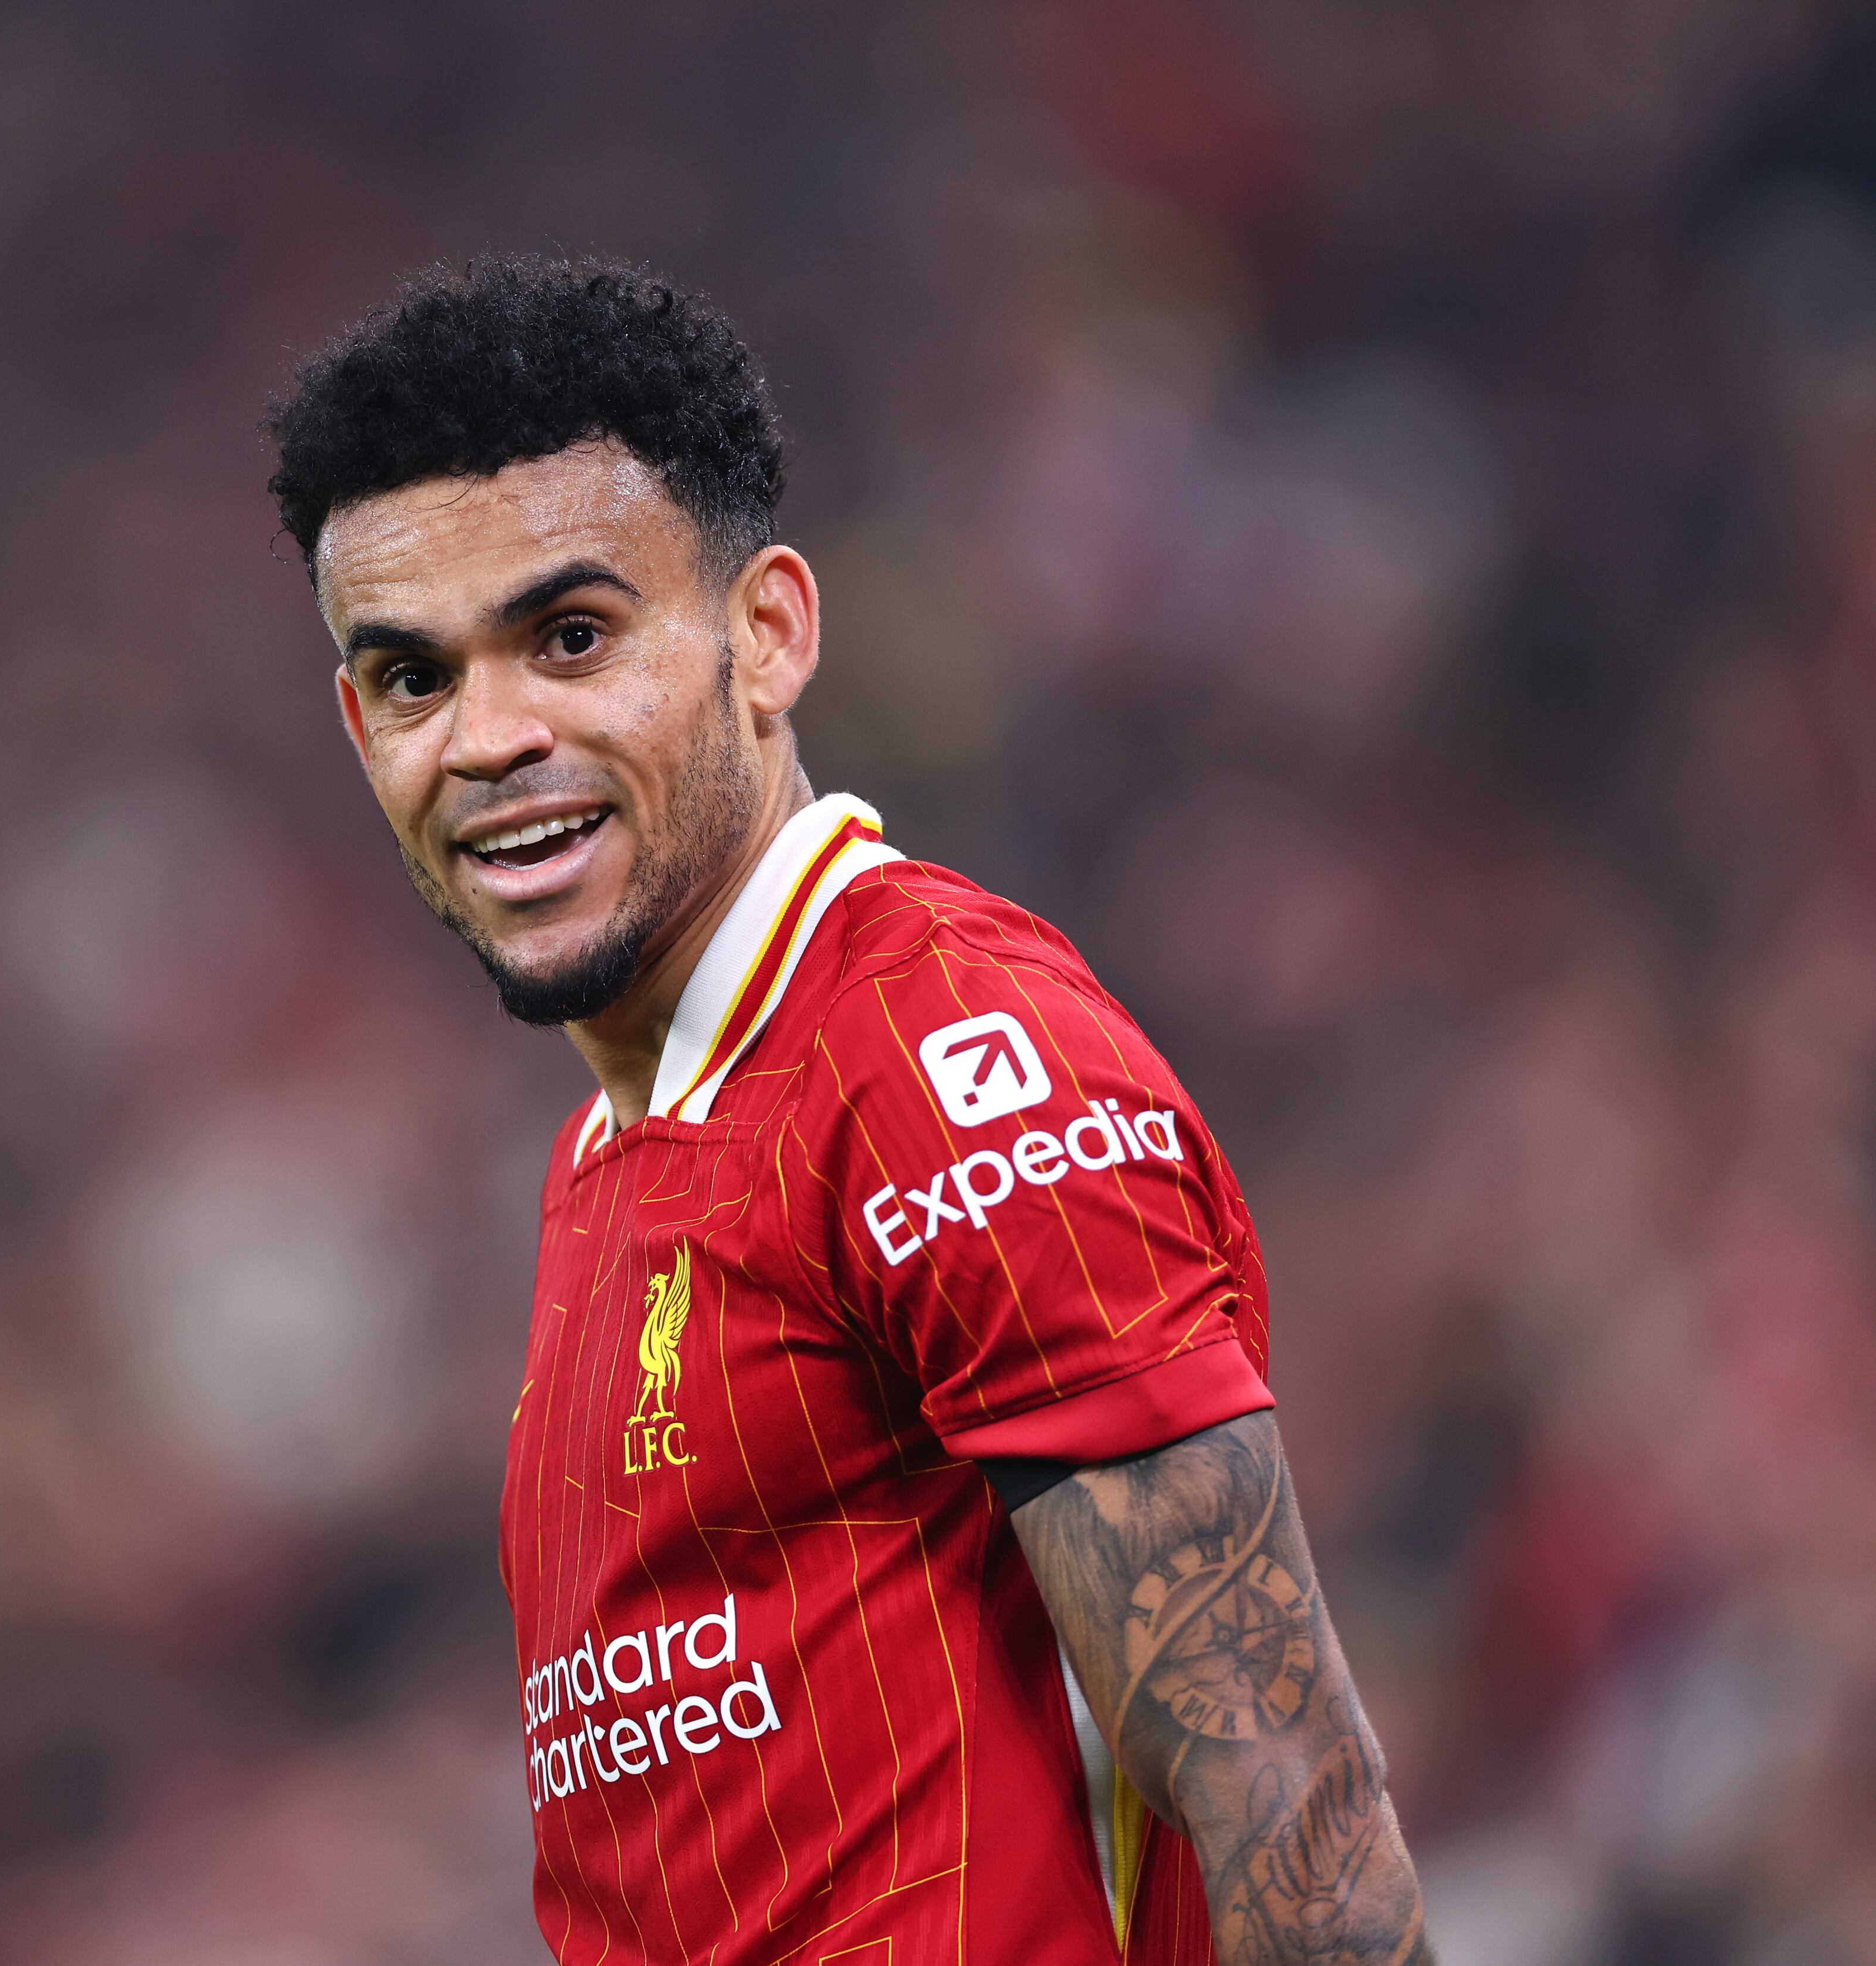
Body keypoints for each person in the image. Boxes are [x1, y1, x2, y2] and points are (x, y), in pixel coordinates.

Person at [264, 258, 1435, 1966]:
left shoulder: (948, 1062)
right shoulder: (618, 1161)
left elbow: (1294, 1807)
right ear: (362, 723)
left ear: (770, 634)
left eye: (570, 639)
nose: (491, 737)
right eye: (417, 679)